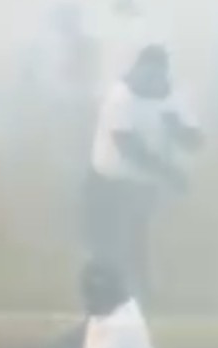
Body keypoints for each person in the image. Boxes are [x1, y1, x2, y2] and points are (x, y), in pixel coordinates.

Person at [85, 44, 202, 299]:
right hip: (108, 181)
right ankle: (105, 299)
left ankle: (143, 297)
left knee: (138, 241)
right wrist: (169, 173)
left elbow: (195, 140)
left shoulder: (172, 97)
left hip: (144, 185)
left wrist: (179, 130)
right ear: (137, 70)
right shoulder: (120, 97)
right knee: (108, 244)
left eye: (157, 75)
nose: (151, 81)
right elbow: (128, 147)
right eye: (147, 75)